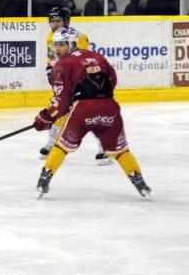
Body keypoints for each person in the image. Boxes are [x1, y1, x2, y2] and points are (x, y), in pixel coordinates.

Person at [34, 27, 151, 199]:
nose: (57, 49)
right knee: (120, 151)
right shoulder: (97, 57)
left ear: (72, 44)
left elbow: (61, 102)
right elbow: (112, 80)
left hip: (83, 111)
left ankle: (44, 178)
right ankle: (140, 183)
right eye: (55, 45)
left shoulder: (62, 65)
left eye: (61, 45)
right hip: (109, 108)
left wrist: (46, 117)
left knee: (62, 146)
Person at [40, 7, 110, 165]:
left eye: (58, 20)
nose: (55, 24)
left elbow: (84, 59)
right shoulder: (50, 37)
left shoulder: (78, 37)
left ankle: (105, 147)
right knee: (60, 111)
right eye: (52, 21)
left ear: (66, 21)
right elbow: (52, 59)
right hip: (64, 79)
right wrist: (53, 75)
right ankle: (52, 143)